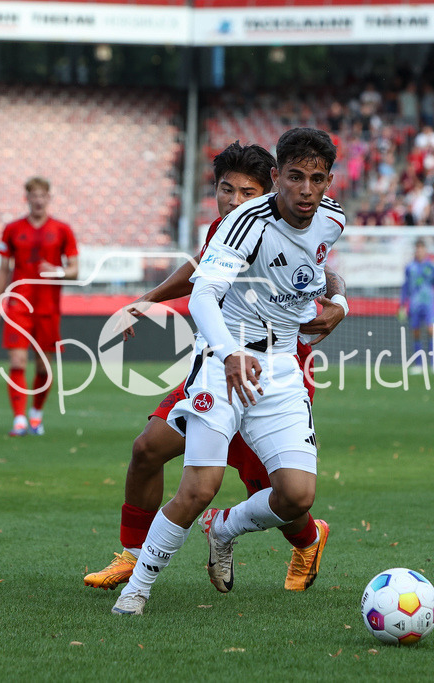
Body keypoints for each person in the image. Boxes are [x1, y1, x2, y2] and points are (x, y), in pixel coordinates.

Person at [85, 141, 346, 595]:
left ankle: (308, 538)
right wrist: (146, 301)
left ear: (269, 191)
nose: (234, 202)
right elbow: (198, 273)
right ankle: (132, 557)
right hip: (220, 364)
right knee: (148, 449)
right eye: (227, 190)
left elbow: (324, 272)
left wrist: (340, 302)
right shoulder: (225, 229)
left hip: (278, 372)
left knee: (286, 495)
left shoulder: (289, 221)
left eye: (247, 192)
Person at [0, 178, 79, 436]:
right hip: (18, 304)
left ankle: (36, 415)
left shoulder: (62, 230)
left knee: (43, 367)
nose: (38, 200)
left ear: (49, 198)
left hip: (48, 307)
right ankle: (19, 420)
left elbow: (75, 270)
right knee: (17, 361)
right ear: (26, 198)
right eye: (34, 195)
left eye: (43, 195)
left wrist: (58, 270)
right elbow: (3, 269)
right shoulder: (12, 229)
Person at [398, 238, 434, 375]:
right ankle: (418, 364)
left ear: (425, 250)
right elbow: (405, 287)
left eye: (421, 249)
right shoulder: (409, 267)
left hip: (429, 303)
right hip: (414, 304)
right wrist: (402, 305)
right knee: (416, 332)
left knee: (432, 331)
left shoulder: (432, 266)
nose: (419, 251)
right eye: (417, 249)